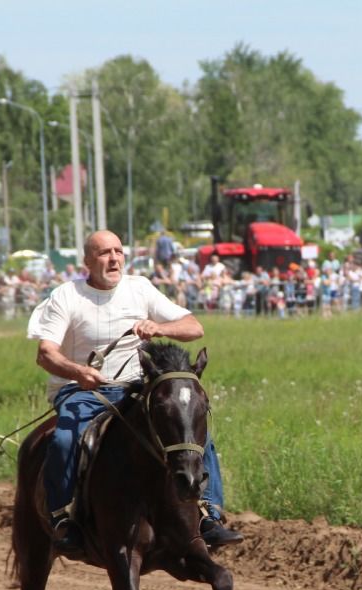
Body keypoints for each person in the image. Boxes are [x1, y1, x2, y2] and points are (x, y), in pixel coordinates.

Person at [27, 229, 242, 555]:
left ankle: (208, 516)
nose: (113, 258)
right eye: (103, 253)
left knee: (191, 431)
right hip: (81, 391)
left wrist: (159, 327)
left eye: (118, 251)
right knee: (64, 439)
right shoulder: (66, 296)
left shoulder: (140, 288)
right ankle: (63, 519)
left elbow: (194, 327)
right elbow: (46, 354)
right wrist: (79, 372)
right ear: (87, 261)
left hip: (132, 389)